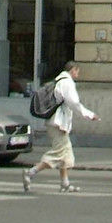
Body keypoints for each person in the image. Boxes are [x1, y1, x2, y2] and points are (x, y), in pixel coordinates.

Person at [21, 60, 97, 194]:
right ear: (73, 70)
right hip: (58, 124)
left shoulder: (59, 80)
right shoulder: (67, 83)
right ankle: (30, 172)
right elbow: (74, 103)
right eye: (77, 71)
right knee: (59, 153)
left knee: (65, 155)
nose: (78, 74)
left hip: (57, 123)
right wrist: (89, 114)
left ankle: (65, 184)